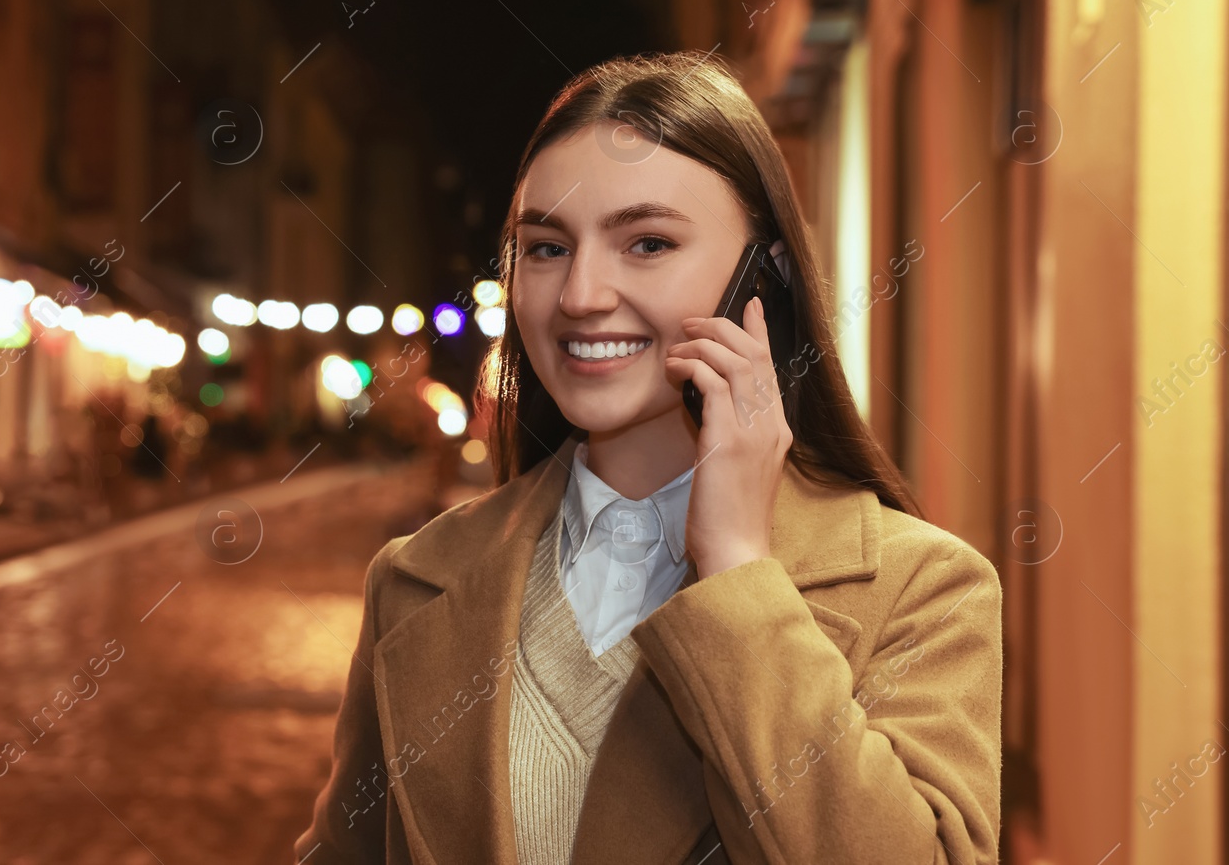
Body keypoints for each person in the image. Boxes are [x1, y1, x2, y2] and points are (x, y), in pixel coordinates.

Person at [294, 50, 1002, 864]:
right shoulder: (415, 579)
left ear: (760, 280)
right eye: (547, 247)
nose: (582, 294)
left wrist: (738, 568)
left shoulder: (924, 589)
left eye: (648, 242)